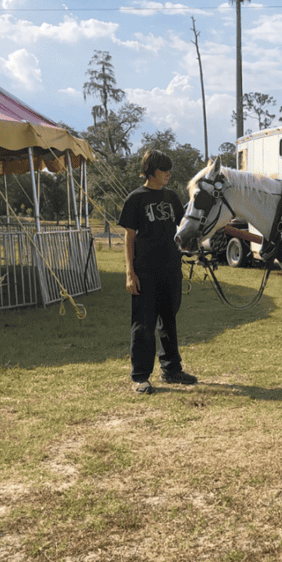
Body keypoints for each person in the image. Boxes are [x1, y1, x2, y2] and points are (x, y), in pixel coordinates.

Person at [118, 149, 197, 394]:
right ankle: (140, 376)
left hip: (170, 270)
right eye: (164, 170)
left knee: (169, 321)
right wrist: (130, 273)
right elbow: (129, 238)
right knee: (143, 324)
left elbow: (184, 226)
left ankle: (172, 369)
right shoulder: (135, 199)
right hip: (145, 272)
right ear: (152, 171)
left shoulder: (171, 197)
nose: (168, 175)